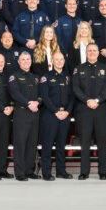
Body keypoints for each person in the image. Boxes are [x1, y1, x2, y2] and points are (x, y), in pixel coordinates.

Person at [72, 43, 106, 180]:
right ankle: (84, 172)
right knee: (85, 142)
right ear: (86, 52)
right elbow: (76, 88)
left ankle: (103, 171)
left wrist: (98, 100)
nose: (92, 52)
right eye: (89, 50)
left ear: (98, 53)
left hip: (101, 109)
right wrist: (87, 100)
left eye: (94, 50)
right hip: (84, 109)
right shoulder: (79, 68)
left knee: (102, 141)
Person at [39, 51, 74, 181]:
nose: (59, 61)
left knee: (61, 145)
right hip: (50, 115)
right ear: (52, 61)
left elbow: (72, 97)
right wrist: (55, 111)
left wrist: (67, 112)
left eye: (61, 59)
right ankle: (46, 172)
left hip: (65, 115)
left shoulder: (68, 77)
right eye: (57, 59)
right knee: (47, 145)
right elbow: (45, 97)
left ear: (64, 61)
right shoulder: (46, 77)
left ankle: (61, 171)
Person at [9, 52, 41, 181]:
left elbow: (41, 94)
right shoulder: (14, 76)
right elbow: (15, 93)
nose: (26, 61)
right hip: (22, 113)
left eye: (28, 59)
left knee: (32, 144)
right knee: (20, 144)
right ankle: (20, 172)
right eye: (23, 59)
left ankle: (29, 171)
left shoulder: (35, 77)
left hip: (34, 113)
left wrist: (37, 102)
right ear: (19, 62)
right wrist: (28, 103)